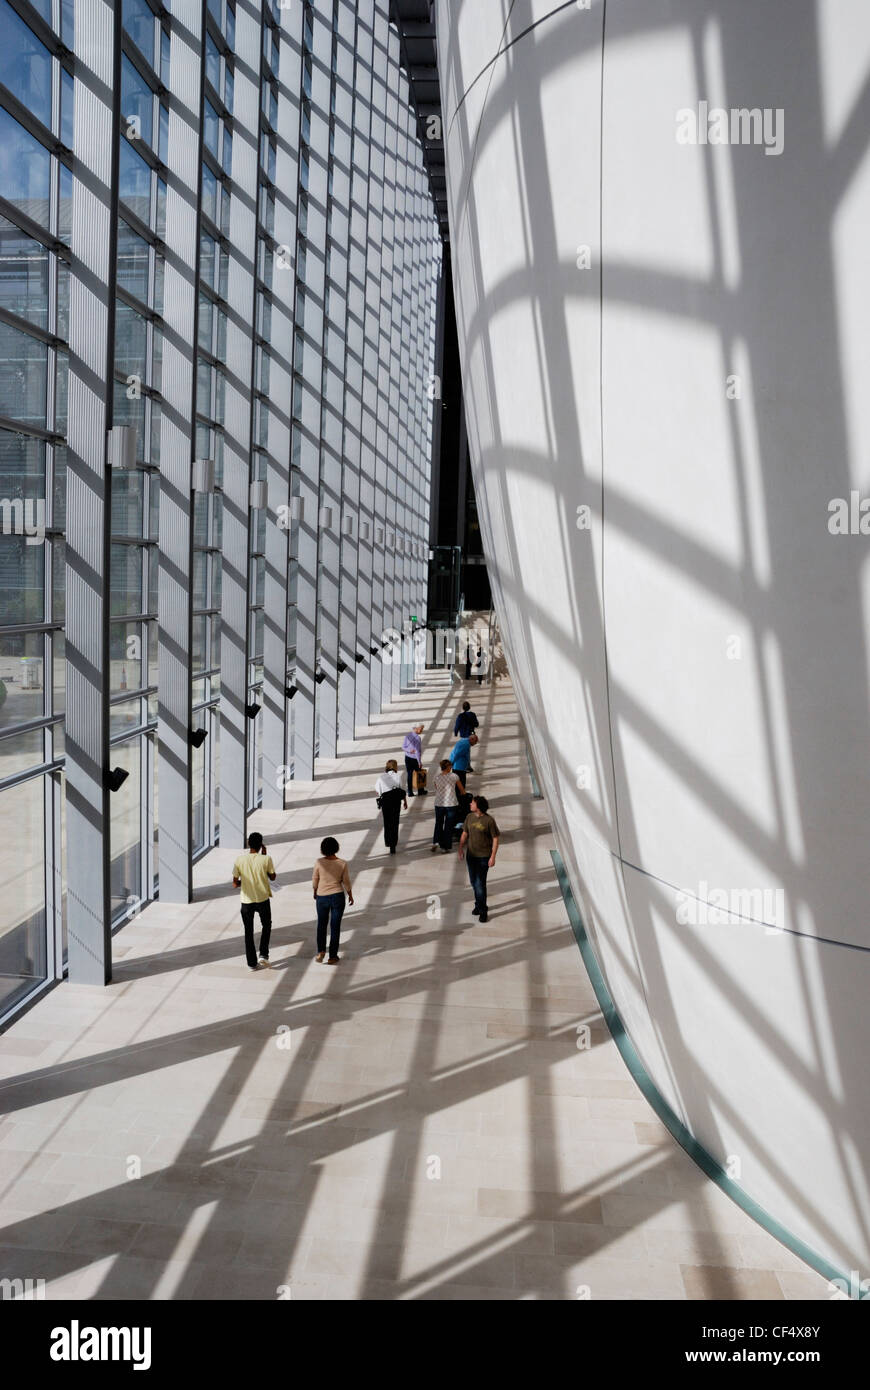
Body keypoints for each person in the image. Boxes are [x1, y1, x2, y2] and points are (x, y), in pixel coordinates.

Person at [232, 831, 277, 971]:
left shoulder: (240, 860)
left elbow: (234, 883)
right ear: (261, 845)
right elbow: (273, 877)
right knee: (266, 925)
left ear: (248, 844)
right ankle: (263, 954)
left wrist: (244, 884)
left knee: (248, 931)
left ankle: (251, 963)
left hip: (246, 901)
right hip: (262, 899)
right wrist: (264, 856)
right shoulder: (266, 859)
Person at [312, 836, 354, 964]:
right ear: (336, 848)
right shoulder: (342, 863)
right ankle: (333, 956)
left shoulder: (319, 862)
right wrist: (350, 895)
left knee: (321, 925)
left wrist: (315, 892)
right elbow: (346, 881)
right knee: (335, 927)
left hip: (322, 896)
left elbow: (315, 879)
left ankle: (321, 951)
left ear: (323, 849)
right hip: (337, 897)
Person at [458, 795, 500, 923]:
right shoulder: (469, 817)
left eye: (472, 803)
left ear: (479, 806)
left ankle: (483, 910)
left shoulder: (489, 821)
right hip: (471, 856)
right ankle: (478, 905)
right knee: (473, 882)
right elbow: (465, 833)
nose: (470, 804)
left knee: (480, 884)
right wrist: (460, 848)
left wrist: (493, 856)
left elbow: (496, 838)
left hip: (483, 857)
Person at [431, 758, 464, 853]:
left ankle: (436, 841)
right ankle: (444, 847)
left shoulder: (436, 777)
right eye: (451, 766)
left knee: (438, 823)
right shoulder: (454, 776)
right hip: (451, 804)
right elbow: (462, 790)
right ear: (448, 767)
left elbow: (437, 788)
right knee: (448, 825)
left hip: (439, 803)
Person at [376, 759, 407, 854]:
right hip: (395, 801)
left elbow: (378, 790)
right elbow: (401, 790)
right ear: (395, 767)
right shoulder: (397, 776)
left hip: (386, 801)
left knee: (387, 822)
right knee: (395, 822)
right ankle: (393, 845)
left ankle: (388, 842)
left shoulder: (381, 777)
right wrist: (405, 802)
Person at [402, 723, 426, 796]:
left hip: (407, 758)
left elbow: (403, 747)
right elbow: (417, 751)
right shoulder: (418, 738)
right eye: (421, 729)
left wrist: (409, 751)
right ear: (417, 728)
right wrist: (419, 762)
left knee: (409, 774)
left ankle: (410, 792)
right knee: (419, 774)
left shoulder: (407, 736)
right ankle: (420, 790)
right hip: (415, 759)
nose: (422, 730)